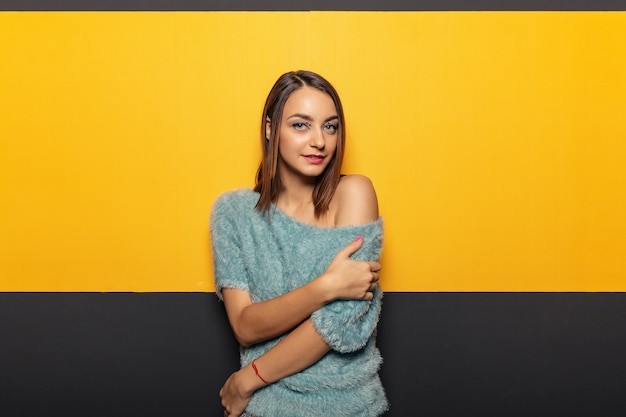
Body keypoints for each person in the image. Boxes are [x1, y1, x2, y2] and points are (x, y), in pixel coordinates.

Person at [210, 70, 388, 417]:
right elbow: (245, 327)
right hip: (265, 408)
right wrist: (326, 286)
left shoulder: (354, 193)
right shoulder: (232, 214)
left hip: (349, 407)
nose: (319, 141)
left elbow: (341, 324)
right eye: (301, 125)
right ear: (270, 128)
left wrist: (249, 378)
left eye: (330, 126)